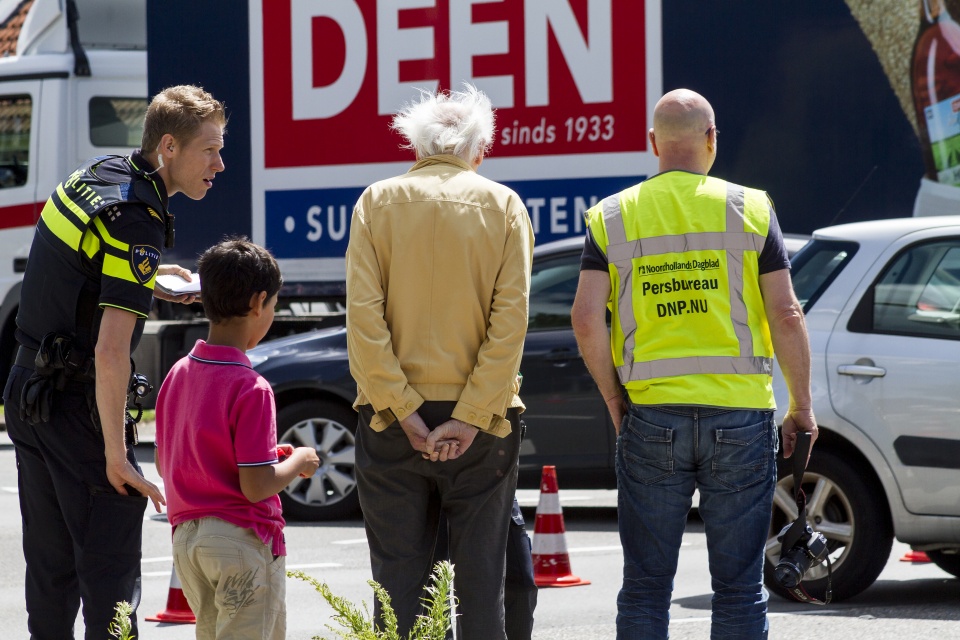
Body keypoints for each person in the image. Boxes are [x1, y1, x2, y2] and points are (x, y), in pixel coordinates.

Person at [570, 88, 818, 640]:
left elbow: (586, 318)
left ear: (653, 143)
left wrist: (616, 400)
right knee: (739, 589)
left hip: (650, 417)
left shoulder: (612, 216)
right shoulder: (750, 208)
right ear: (712, 140)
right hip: (741, 416)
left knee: (645, 588)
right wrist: (801, 404)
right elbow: (787, 312)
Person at [2, 84, 226, 640]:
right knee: (111, 584)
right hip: (78, 406)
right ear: (169, 147)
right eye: (211, 150)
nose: (220, 164)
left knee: (51, 579)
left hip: (28, 389)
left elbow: (78, 272)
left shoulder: (101, 173)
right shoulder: (138, 222)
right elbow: (110, 352)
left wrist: (153, 281)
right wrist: (118, 455)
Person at [345, 84, 534, 639]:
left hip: (389, 423)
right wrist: (471, 415)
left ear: (416, 146)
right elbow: (510, 324)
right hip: (485, 426)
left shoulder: (375, 203)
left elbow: (364, 320)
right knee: (481, 584)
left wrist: (403, 410)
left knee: (399, 585)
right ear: (480, 149)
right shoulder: (503, 205)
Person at [154, 238, 319, 640]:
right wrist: (299, 460)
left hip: (188, 541)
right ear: (259, 302)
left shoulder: (179, 372)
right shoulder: (252, 387)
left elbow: (166, 460)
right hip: (240, 541)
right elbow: (256, 485)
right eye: (275, 305)